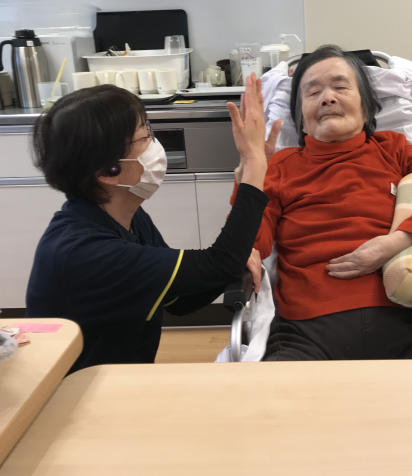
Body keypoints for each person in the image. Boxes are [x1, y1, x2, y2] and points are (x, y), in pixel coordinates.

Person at [232, 45, 412, 361]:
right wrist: (250, 174)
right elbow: (254, 239)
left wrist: (395, 243)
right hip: (306, 331)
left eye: (341, 87)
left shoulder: (394, 150)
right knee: (273, 391)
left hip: (406, 323)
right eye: (313, 92)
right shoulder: (281, 165)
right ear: (301, 121)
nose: (327, 98)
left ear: (366, 110)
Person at [26, 75, 281, 372]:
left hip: (120, 378)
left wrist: (233, 261)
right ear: (108, 171)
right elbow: (220, 263)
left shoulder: (126, 219)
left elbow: (179, 301)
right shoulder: (86, 252)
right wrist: (254, 165)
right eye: (144, 136)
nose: (154, 142)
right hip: (72, 390)